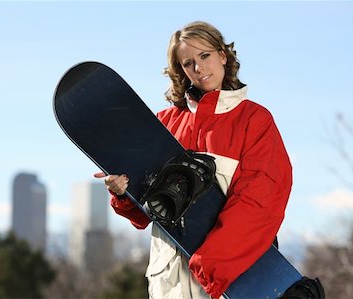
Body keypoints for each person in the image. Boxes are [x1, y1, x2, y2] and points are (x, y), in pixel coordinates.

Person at [94, 21, 292, 298]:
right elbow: (145, 213)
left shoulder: (254, 121)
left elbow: (260, 200)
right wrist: (124, 193)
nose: (199, 68)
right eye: (188, 63)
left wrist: (213, 262)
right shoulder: (163, 124)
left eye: (205, 56)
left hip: (227, 280)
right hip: (168, 279)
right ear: (181, 71)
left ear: (223, 56)